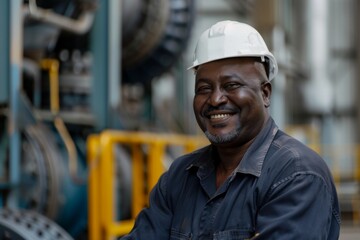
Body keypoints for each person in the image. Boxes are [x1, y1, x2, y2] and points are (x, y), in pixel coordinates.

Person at [120, 20, 341, 239]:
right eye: (204, 88)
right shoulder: (180, 177)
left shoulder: (296, 175)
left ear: (265, 94)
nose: (215, 99)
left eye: (232, 85)